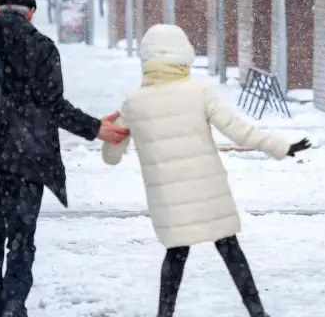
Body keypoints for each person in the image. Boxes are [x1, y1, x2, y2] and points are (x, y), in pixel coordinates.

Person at [0, 0, 130, 317]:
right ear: (31, 12)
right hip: (27, 158)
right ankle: (13, 303)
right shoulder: (42, 48)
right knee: (21, 239)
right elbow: (55, 107)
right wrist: (94, 127)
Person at [101, 24, 310, 317]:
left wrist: (108, 130)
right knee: (229, 247)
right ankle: (257, 311)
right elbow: (239, 131)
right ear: (182, 55)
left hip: (170, 199)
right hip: (208, 193)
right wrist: (281, 147)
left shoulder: (134, 102)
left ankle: (165, 314)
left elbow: (112, 157)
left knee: (176, 253)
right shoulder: (198, 91)